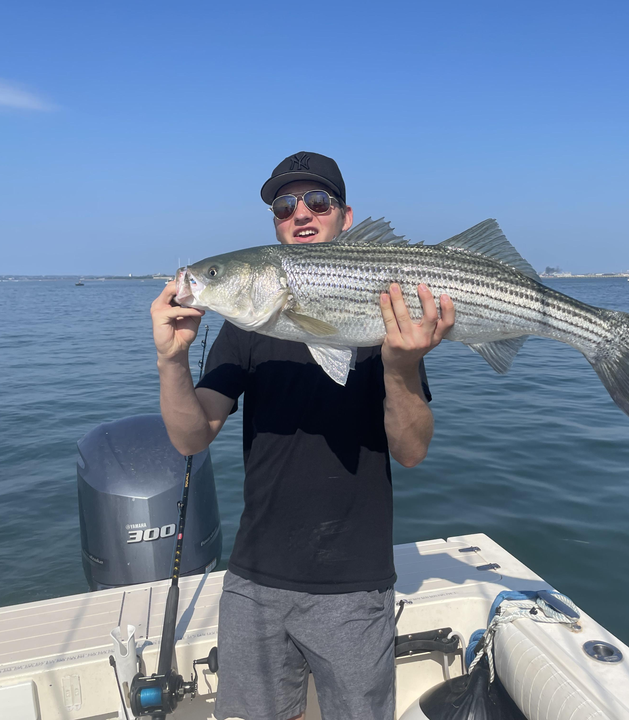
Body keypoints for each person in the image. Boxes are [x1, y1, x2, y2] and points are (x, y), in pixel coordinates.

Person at [151, 152, 454, 720]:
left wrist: (399, 366)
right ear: (274, 225)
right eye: (284, 206)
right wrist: (172, 362)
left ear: (344, 216)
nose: (302, 214)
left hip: (354, 583)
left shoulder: (390, 312)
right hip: (254, 577)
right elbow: (192, 438)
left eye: (319, 201)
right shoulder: (245, 329)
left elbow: (411, 452)